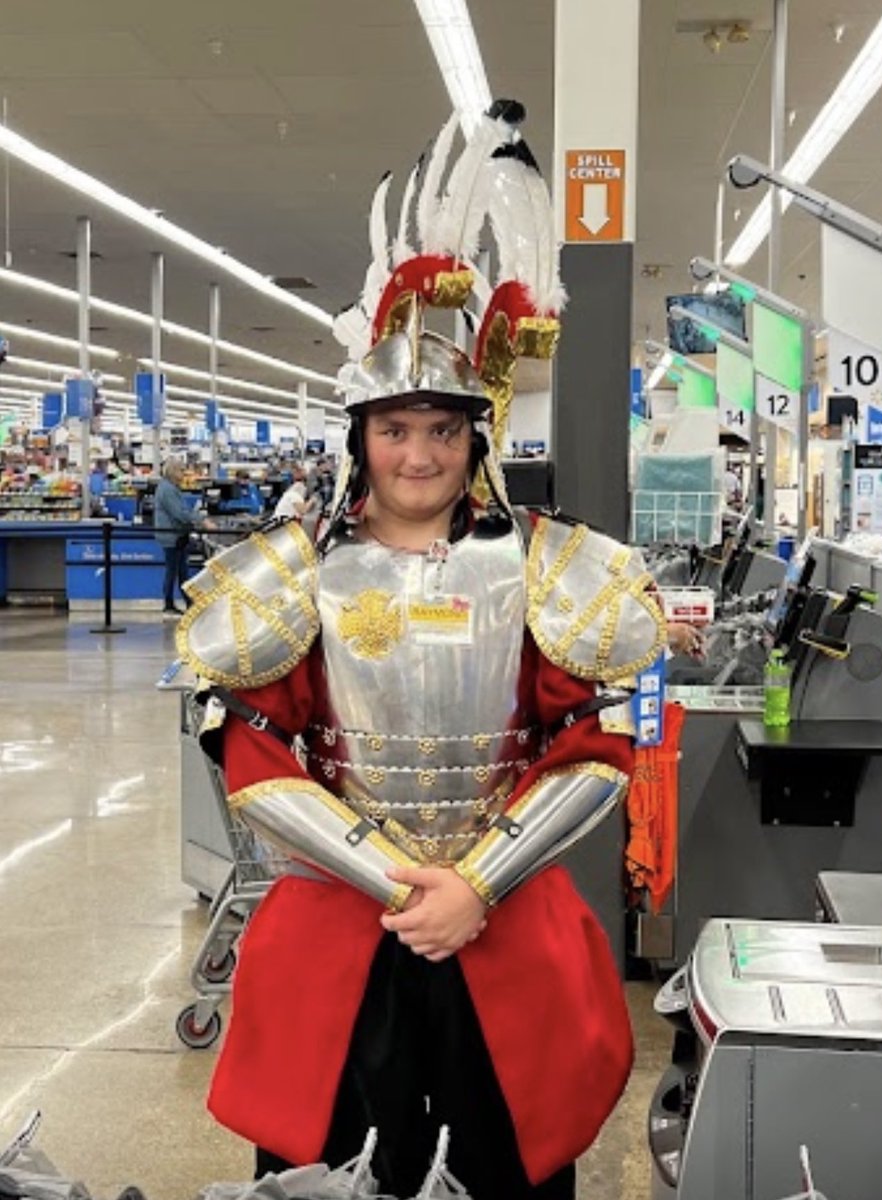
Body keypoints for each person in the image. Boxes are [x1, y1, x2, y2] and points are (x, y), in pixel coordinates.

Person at [178, 103, 665, 1199]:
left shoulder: (541, 562)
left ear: (473, 439)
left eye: (442, 429)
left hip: (504, 908)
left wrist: (475, 884)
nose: (419, 453)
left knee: (510, 1162)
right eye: (395, 429)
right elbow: (254, 746)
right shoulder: (299, 568)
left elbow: (592, 736)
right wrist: (400, 881)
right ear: (361, 439)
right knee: (337, 1162)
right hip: (346, 915)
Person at [154, 457, 206, 617]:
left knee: (180, 570)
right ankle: (169, 606)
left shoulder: (170, 488)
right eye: (181, 470)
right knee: (174, 570)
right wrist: (199, 519)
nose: (184, 474)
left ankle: (188, 604)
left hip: (177, 535)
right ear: (173, 471)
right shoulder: (168, 490)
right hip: (172, 536)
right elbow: (178, 514)